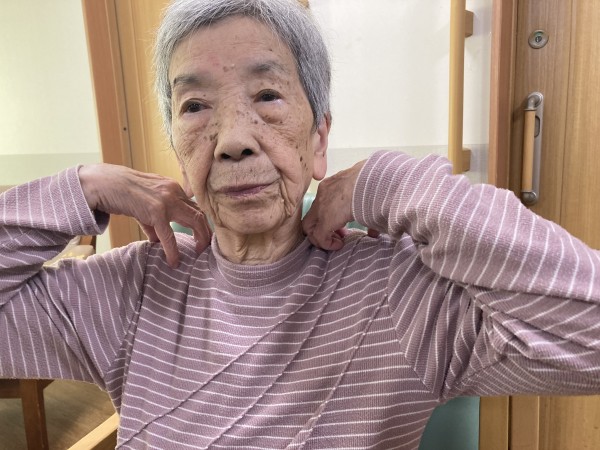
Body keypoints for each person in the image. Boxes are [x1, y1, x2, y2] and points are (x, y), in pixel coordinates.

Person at [1, 0, 599, 448]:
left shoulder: (400, 294)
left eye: (267, 95)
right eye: (195, 106)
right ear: (179, 152)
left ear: (319, 140)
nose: (233, 140)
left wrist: (395, 185)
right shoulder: (133, 288)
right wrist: (81, 187)